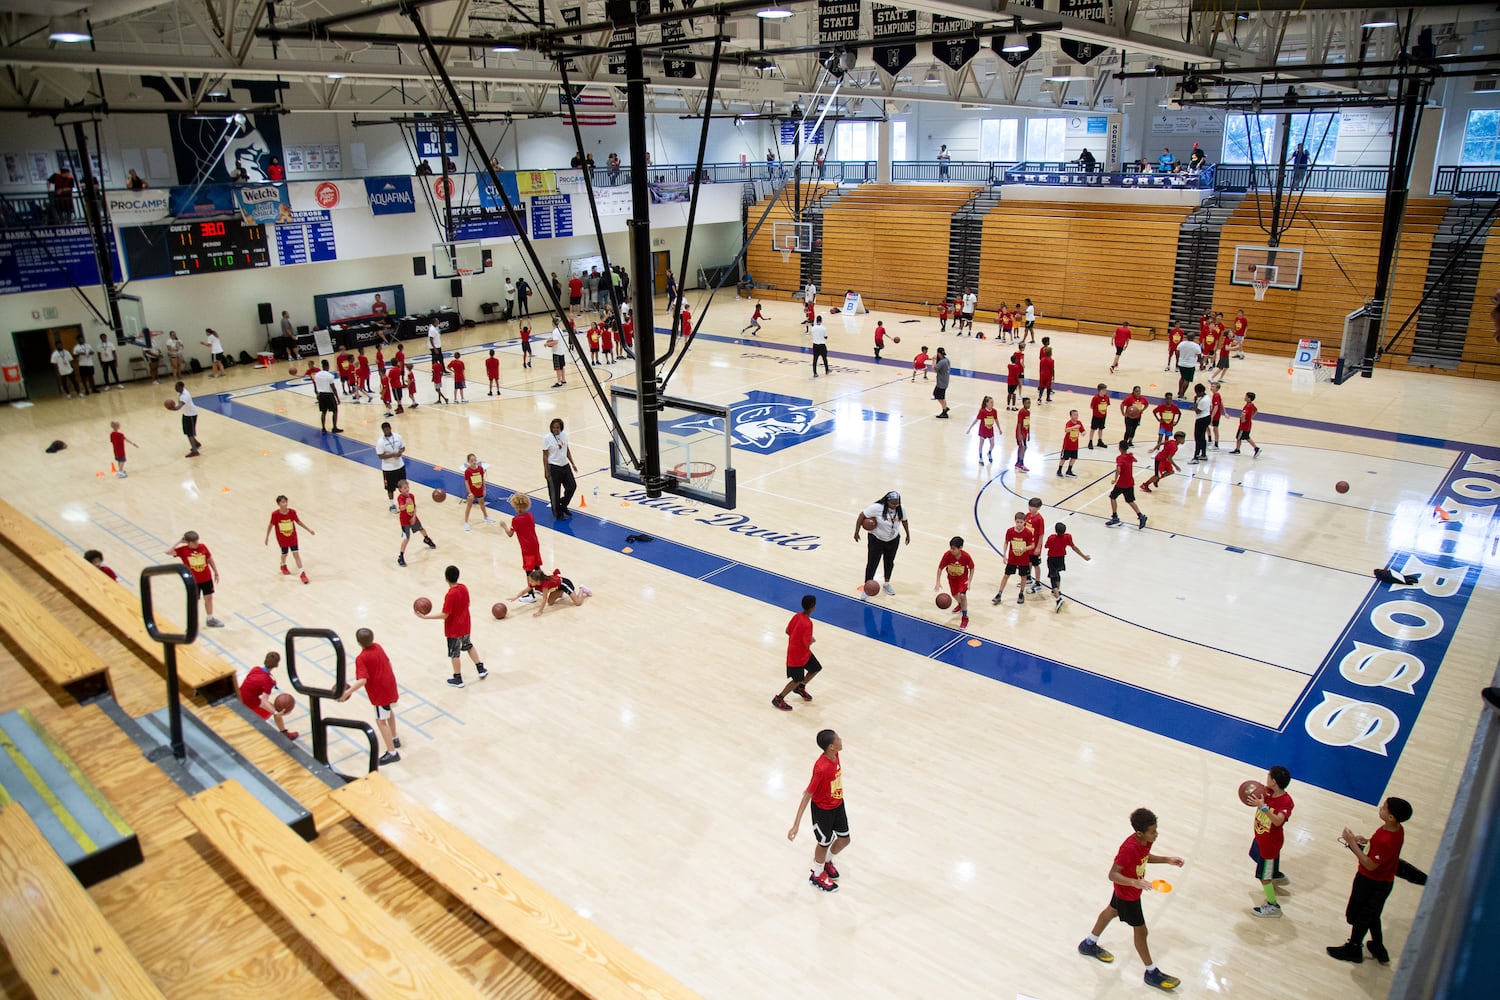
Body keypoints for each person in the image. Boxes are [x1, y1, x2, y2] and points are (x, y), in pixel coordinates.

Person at [1077, 807, 1185, 991]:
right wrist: (1134, 882)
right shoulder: (1129, 848)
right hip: (1128, 894)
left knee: (1111, 911)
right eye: (1153, 832)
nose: (1156, 834)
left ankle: (1088, 944)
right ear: (1139, 833)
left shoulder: (1145, 841)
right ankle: (1151, 972)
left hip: (1128, 890)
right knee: (1141, 932)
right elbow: (1112, 874)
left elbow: (1144, 857)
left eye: (1156, 830)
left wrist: (1167, 859)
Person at [1327, 796, 1414, 964]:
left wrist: (1352, 843)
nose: (1381, 807)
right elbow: (1380, 851)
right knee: (1373, 914)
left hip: (1371, 882)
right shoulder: (1396, 829)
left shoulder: (1386, 839)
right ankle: (1377, 945)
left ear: (1391, 817)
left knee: (1359, 915)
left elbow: (1370, 864)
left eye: (1384, 807)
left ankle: (1353, 948)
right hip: (1384, 882)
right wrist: (1368, 842)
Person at [786, 729, 848, 893]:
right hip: (823, 811)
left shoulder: (836, 755)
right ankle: (817, 875)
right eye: (838, 739)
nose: (841, 740)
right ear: (831, 746)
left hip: (838, 804)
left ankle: (826, 861)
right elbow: (807, 794)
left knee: (844, 839)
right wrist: (795, 825)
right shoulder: (821, 768)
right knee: (824, 843)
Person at [417, 565, 487, 688]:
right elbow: (468, 603)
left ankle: (458, 678)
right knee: (468, 645)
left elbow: (445, 614)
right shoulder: (464, 588)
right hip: (465, 624)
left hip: (454, 629)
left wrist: (426, 617)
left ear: (446, 579)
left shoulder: (450, 595)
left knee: (454, 653)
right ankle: (480, 668)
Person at [1248, 765, 1294, 918]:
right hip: (1261, 838)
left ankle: (1273, 905)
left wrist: (1263, 807)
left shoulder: (1286, 801)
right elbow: (1251, 795)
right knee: (1259, 858)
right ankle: (1275, 874)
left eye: (1268, 776)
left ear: (1274, 781)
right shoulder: (1266, 791)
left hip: (1270, 845)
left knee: (1263, 877)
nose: (1266, 778)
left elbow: (1278, 821)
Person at [855, 491, 910, 597]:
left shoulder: (901, 508)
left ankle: (886, 584)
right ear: (887, 501)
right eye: (892, 504)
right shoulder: (877, 507)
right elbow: (862, 515)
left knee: (889, 562)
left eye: (897, 503)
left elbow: (904, 520)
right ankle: (867, 588)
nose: (895, 506)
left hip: (893, 539)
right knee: (872, 563)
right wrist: (856, 532)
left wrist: (908, 534)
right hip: (876, 540)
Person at [167, 530, 223, 627]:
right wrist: (180, 541)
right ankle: (192, 623)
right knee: (193, 602)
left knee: (209, 598)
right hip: (193, 581)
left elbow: (209, 559)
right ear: (188, 542)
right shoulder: (183, 550)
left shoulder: (202, 547)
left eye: (197, 541)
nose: (197, 544)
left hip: (206, 578)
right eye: (194, 542)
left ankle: (210, 619)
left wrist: (216, 571)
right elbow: (168, 552)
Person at [239, 651, 297, 741]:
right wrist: (276, 713)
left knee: (270, 707)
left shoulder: (255, 669)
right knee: (275, 709)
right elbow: (264, 701)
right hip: (248, 703)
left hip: (239, 697)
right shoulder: (267, 681)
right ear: (277, 665)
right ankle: (284, 733)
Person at [503, 493, 544, 601]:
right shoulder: (530, 516)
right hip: (535, 544)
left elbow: (510, 534)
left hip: (526, 548)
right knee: (537, 567)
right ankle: (540, 587)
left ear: (516, 506)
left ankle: (531, 595)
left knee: (528, 571)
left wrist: (504, 526)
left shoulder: (516, 520)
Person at [264, 494, 313, 583]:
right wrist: (267, 537)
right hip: (282, 539)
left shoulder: (292, 512)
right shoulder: (275, 514)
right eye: (283, 502)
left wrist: (308, 529)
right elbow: (270, 525)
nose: (285, 504)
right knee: (285, 554)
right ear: (278, 504)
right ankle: (283, 565)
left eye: (286, 501)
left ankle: (302, 573)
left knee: (296, 554)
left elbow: (298, 522)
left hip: (293, 537)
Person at [1044, 522, 1091, 611]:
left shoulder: (1052, 538)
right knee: (1057, 573)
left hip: (1052, 559)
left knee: (1052, 577)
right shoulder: (1068, 537)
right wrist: (1084, 556)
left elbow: (1046, 546)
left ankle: (1058, 598)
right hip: (1061, 559)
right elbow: (1074, 547)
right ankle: (1058, 590)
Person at [992, 512, 1035, 606]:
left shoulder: (1028, 532)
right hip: (1012, 558)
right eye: (1017, 522)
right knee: (1006, 575)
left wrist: (1024, 549)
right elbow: (1006, 542)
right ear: (1015, 521)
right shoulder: (1010, 531)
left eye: (1021, 522)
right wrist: (1004, 555)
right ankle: (999, 593)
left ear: (1024, 522)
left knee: (1023, 576)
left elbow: (1032, 545)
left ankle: (1021, 593)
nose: (1019, 524)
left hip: (1023, 559)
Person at [935, 536, 975, 629]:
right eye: (951, 548)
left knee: (962, 596)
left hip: (962, 579)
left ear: (960, 548)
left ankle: (965, 618)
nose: (952, 550)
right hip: (952, 579)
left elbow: (972, 568)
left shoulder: (966, 556)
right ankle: (961, 605)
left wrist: (969, 580)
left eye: (954, 549)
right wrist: (938, 581)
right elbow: (940, 568)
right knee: (954, 595)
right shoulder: (947, 555)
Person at [395, 479, 437, 567]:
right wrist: (406, 504)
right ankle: (401, 557)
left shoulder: (412, 496)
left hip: (412, 517)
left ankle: (426, 539)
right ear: (400, 489)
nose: (407, 489)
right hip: (404, 521)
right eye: (405, 488)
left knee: (421, 529)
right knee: (407, 538)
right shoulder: (400, 498)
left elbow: (414, 506)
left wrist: (414, 517)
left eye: (408, 487)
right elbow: (401, 508)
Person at [543, 417, 579, 520]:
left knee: (572, 486)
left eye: (558, 427)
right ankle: (557, 513)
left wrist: (572, 463)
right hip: (553, 467)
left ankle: (563, 505)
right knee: (555, 492)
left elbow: (566, 449)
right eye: (554, 427)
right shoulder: (547, 438)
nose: (556, 429)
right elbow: (545, 455)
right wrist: (546, 470)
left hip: (565, 465)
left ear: (561, 428)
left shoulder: (564, 435)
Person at [1106, 441, 1147, 530]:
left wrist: (1115, 479)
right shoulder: (1130, 456)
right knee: (1130, 500)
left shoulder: (1120, 458)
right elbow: (1135, 460)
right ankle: (1141, 516)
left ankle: (1115, 517)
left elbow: (1118, 469)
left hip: (1122, 482)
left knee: (1113, 497)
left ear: (1119, 448)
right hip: (1130, 482)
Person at [522, 567, 592, 618]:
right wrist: (515, 597)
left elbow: (544, 599)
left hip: (564, 584)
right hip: (558, 587)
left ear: (537, 581)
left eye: (531, 581)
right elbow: (524, 591)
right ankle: (560, 592)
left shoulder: (544, 585)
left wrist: (540, 611)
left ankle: (582, 589)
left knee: (577, 603)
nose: (530, 582)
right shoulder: (538, 582)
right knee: (550, 602)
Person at [375, 422, 407, 512]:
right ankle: (392, 505)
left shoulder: (397, 436)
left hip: (400, 466)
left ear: (390, 428)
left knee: (403, 486)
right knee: (390, 488)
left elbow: (403, 447)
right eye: (384, 430)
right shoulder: (380, 442)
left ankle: (404, 503)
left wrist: (400, 451)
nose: (386, 431)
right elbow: (380, 456)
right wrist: (393, 455)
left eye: (387, 429)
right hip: (388, 469)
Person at [166, 380, 202, 458]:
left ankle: (195, 451)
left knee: (190, 433)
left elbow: (178, 407)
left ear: (181, 387)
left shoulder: (184, 395)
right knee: (187, 431)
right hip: (186, 414)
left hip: (191, 415)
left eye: (177, 387)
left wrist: (171, 408)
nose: (175, 388)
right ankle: (196, 443)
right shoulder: (180, 393)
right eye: (175, 387)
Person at [461, 453, 495, 530]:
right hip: (472, 492)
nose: (473, 462)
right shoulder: (468, 471)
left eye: (474, 460)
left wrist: (484, 489)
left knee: (482, 504)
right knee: (469, 506)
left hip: (479, 490)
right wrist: (469, 492)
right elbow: (466, 482)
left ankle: (486, 517)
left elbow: (482, 479)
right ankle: (466, 522)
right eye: (471, 460)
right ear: (468, 462)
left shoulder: (480, 469)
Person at [311, 360, 342, 433]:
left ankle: (323, 428)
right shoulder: (330, 376)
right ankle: (334, 427)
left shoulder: (317, 375)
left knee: (323, 412)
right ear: (328, 366)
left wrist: (317, 393)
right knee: (335, 411)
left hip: (321, 394)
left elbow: (315, 385)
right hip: (329, 395)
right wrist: (337, 398)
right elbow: (333, 388)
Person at [967, 395, 999, 464]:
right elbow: (976, 420)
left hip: (990, 431)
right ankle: (980, 458)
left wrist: (999, 429)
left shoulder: (994, 411)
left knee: (992, 444)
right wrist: (970, 428)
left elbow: (996, 420)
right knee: (981, 444)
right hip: (983, 431)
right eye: (991, 402)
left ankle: (989, 453)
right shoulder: (982, 411)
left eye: (993, 402)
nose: (992, 404)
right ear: (987, 403)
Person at [1230, 391, 1261, 456]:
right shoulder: (1252, 405)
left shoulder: (1247, 406)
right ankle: (1256, 448)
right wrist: (1251, 417)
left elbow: (1243, 414)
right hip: (1248, 424)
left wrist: (1243, 420)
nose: (1244, 397)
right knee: (1247, 437)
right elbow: (1256, 410)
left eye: (1246, 396)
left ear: (1249, 398)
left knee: (1239, 438)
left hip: (1243, 425)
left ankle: (1238, 450)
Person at [1058, 409, 1084, 478]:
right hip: (1067, 445)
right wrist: (1073, 427)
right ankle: (1059, 471)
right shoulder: (1069, 423)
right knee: (1063, 458)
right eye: (1074, 415)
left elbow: (1082, 430)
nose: (1076, 416)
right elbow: (1066, 430)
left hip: (1075, 445)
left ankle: (1069, 471)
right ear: (1071, 416)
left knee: (1074, 458)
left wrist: (1083, 433)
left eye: (1077, 415)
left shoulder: (1079, 423)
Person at [1087, 383, 1110, 449]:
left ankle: (1100, 441)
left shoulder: (1107, 397)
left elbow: (1107, 404)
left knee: (1101, 428)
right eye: (1104, 390)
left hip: (1103, 415)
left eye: (1105, 390)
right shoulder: (1095, 398)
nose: (1105, 391)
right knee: (1093, 429)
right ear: (1100, 390)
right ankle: (1090, 441)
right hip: (1096, 416)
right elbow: (1092, 406)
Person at [546, 320, 569, 388]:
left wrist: (547, 344)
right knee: (562, 367)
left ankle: (559, 382)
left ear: (552, 323)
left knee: (558, 368)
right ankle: (563, 379)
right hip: (561, 351)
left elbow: (555, 342)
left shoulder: (554, 332)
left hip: (556, 352)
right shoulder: (560, 330)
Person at [1014, 397, 1033, 472]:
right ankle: (1020, 464)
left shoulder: (1028, 412)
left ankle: (1018, 463)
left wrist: (1029, 433)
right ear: (1023, 403)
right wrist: (1019, 434)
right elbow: (1019, 423)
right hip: (1021, 433)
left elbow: (1028, 423)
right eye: (1027, 403)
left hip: (1025, 433)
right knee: (1024, 447)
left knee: (1022, 447)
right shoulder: (1021, 412)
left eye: (1030, 403)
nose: (1029, 404)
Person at [933, 347, 951, 418]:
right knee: (936, 394)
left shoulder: (941, 362)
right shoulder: (947, 360)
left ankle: (944, 411)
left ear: (938, 354)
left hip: (941, 383)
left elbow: (934, 370)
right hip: (944, 381)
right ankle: (945, 407)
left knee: (940, 397)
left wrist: (933, 361)